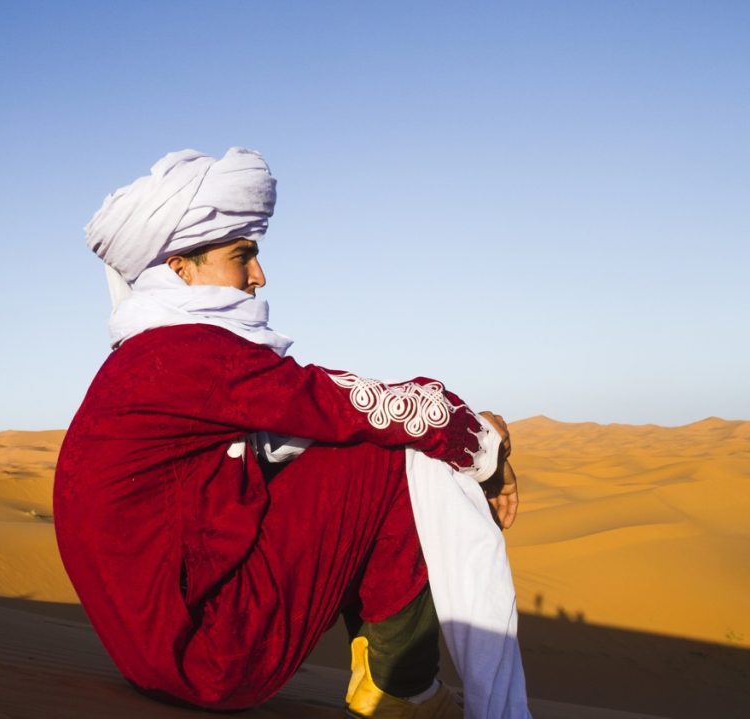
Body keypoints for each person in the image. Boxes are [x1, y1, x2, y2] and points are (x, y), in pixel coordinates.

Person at [53, 148, 521, 718]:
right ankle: (404, 688)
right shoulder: (188, 355)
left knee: (347, 452)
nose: (259, 275)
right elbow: (359, 405)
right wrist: (483, 450)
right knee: (392, 457)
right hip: (208, 661)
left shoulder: (146, 358)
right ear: (181, 268)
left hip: (155, 656)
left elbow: (286, 433)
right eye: (242, 255)